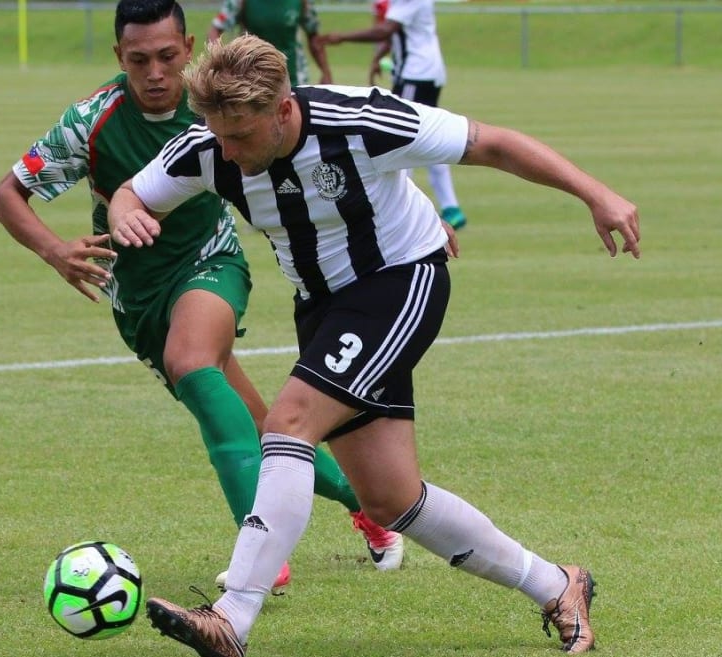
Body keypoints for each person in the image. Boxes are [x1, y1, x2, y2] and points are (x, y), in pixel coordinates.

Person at [108, 34, 640, 656]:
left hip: (398, 283)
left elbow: (491, 143)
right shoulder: (212, 147)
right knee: (389, 498)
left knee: (288, 424)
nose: (227, 151)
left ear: (282, 110)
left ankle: (232, 617)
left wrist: (595, 194)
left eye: (241, 136)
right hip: (324, 307)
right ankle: (559, 585)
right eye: (219, 135)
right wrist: (124, 211)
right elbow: (135, 191)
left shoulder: (361, 120)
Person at [0, 0, 404, 596]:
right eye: (138, 61)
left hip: (212, 262)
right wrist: (55, 250)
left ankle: (260, 557)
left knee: (192, 361)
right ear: (119, 58)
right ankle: (367, 508)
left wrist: (411, 220)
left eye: (165, 56)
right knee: (263, 431)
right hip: (139, 299)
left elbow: (333, 145)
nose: (154, 73)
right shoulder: (91, 121)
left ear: (187, 48)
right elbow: (7, 194)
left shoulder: (216, 103)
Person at [319, 0, 467, 230]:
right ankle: (451, 208)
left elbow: (385, 30)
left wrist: (341, 37)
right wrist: (378, 58)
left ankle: (401, 211)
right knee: (430, 135)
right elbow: (395, 33)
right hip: (425, 73)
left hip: (416, 74)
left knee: (403, 139)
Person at [207, 0, 334, 86]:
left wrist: (326, 73)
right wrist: (219, 63)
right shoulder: (239, 2)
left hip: (294, 77)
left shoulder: (302, 2)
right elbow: (216, 29)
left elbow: (313, 36)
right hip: (251, 77)